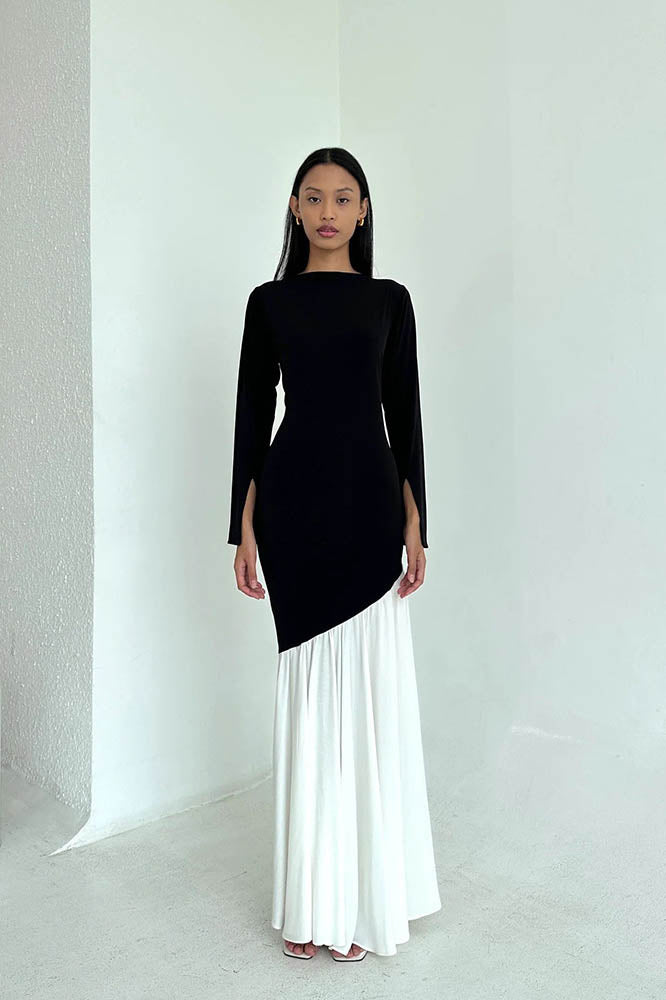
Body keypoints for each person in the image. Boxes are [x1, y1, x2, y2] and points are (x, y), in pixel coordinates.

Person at [227, 147, 441, 961]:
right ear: (294, 207)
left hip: (369, 510)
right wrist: (243, 528)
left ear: (362, 210)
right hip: (293, 513)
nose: (327, 210)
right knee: (313, 701)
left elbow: (405, 414)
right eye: (313, 197)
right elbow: (252, 416)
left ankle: (359, 906)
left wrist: (416, 524)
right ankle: (312, 904)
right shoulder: (269, 303)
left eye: (343, 198)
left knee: (367, 701)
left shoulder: (390, 301)